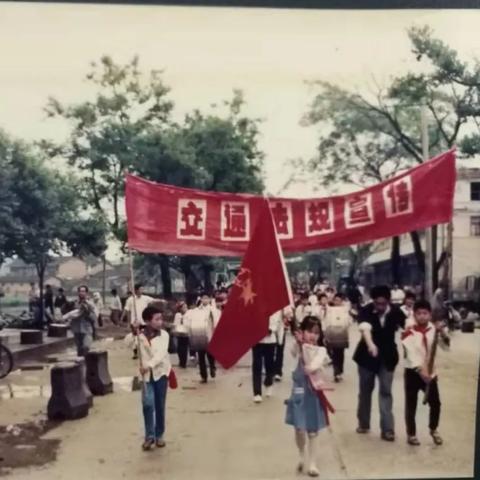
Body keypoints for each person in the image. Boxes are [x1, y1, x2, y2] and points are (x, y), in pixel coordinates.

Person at [353, 285, 406, 442]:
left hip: (388, 357)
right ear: (373, 301)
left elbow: (409, 327)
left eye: (383, 303)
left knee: (386, 391)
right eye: (377, 303)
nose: (380, 307)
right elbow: (365, 330)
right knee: (365, 391)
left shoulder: (396, 312)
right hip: (366, 357)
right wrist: (371, 345)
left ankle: (388, 429)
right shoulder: (366, 310)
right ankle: (363, 423)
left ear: (388, 301)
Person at [285, 316, 330, 478]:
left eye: (316, 333)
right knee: (299, 429)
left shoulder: (321, 350)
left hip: (314, 391)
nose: (313, 335)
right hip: (299, 390)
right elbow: (293, 353)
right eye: (309, 331)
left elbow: (314, 363)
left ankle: (312, 463)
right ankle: (301, 454)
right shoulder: (299, 346)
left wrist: (310, 366)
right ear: (303, 332)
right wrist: (297, 343)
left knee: (313, 430)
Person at [401, 300, 450, 446]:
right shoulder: (408, 332)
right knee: (411, 404)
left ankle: (433, 429)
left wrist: (442, 333)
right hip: (413, 372)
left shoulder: (434, 330)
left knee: (435, 403)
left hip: (431, 372)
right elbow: (410, 354)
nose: (422, 316)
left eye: (425, 313)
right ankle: (411, 434)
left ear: (430, 314)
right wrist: (421, 372)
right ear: (414, 315)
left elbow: (446, 347)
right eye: (419, 313)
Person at [125, 305, 171, 451]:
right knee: (147, 404)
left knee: (159, 405)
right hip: (145, 377)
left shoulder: (164, 335)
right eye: (157, 319)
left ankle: (159, 435)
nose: (160, 322)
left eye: (161, 319)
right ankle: (149, 436)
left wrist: (149, 365)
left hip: (161, 373)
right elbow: (127, 344)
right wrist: (133, 331)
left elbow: (161, 354)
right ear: (147, 321)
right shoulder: (140, 335)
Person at [252, 310, 282, 403]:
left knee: (269, 364)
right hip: (257, 340)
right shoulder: (256, 306)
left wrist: (271, 329)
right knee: (257, 366)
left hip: (270, 340)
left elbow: (277, 322)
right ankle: (257, 393)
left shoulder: (276, 309)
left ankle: (268, 383)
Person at [190, 293, 220, 383]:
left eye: (207, 298)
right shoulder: (197, 310)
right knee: (201, 357)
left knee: (211, 355)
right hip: (200, 335)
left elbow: (217, 322)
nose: (205, 300)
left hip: (210, 335)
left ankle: (212, 367)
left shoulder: (213, 310)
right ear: (201, 299)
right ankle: (204, 376)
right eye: (203, 298)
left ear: (209, 299)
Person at [323, 293, 352, 383]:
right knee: (335, 353)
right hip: (332, 334)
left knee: (341, 353)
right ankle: (336, 372)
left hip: (342, 334)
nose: (337, 302)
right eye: (335, 300)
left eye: (339, 300)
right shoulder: (329, 310)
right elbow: (326, 321)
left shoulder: (345, 310)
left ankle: (340, 371)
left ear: (342, 301)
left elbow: (348, 321)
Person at [63, 285, 97, 357]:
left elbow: (94, 317)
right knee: (79, 349)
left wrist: (88, 313)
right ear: (78, 292)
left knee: (86, 347)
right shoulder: (74, 303)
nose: (82, 293)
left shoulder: (90, 304)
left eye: (83, 291)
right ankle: (81, 362)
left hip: (87, 329)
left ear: (86, 293)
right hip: (76, 329)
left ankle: (86, 361)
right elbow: (68, 314)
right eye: (80, 291)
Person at [125, 284, 155, 359]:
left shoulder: (146, 298)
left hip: (144, 321)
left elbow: (154, 301)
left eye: (142, 289)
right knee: (135, 338)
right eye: (140, 289)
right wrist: (128, 322)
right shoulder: (130, 300)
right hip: (134, 322)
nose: (141, 291)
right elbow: (127, 311)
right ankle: (135, 352)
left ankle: (147, 352)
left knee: (145, 337)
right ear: (136, 290)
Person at [274, 306, 294, 382]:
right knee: (270, 350)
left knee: (279, 350)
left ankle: (278, 372)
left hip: (281, 328)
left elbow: (290, 315)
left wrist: (287, 319)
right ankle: (271, 370)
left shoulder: (285, 304)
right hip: (271, 329)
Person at [173, 301, 191, 369]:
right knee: (179, 348)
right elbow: (175, 323)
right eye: (183, 307)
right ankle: (181, 361)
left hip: (186, 333)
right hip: (179, 333)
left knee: (184, 348)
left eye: (186, 307)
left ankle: (184, 363)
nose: (185, 308)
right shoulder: (177, 315)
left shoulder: (189, 314)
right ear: (180, 308)